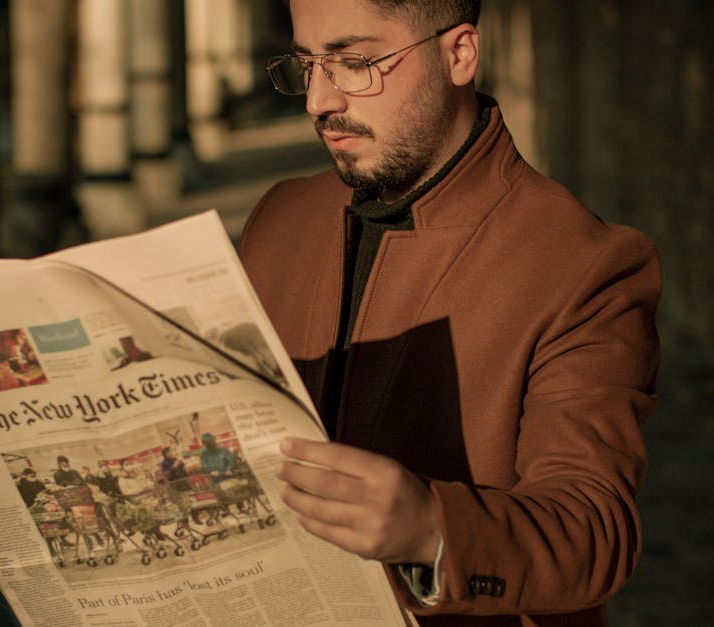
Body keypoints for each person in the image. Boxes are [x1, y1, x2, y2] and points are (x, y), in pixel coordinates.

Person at [241, 1, 660, 625]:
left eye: (355, 62)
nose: (318, 101)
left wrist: (430, 529)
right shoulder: (280, 219)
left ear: (459, 54)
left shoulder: (584, 263)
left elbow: (594, 534)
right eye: (307, 65)